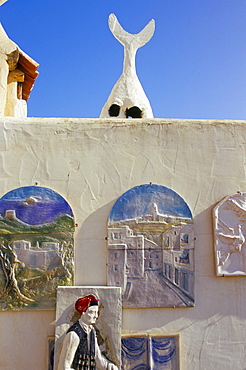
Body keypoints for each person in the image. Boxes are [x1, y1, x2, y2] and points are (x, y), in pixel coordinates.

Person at [57, 294, 118, 370]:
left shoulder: (91, 331)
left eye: (96, 312)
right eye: (92, 312)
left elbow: (97, 358)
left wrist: (110, 367)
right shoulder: (74, 334)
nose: (96, 316)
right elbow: (63, 366)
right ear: (83, 312)